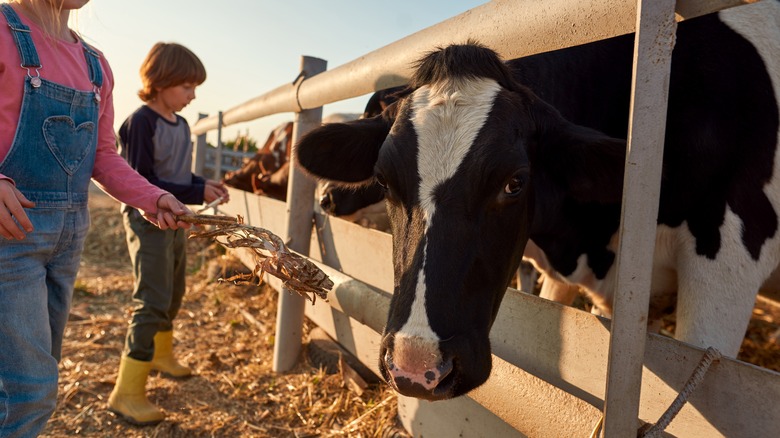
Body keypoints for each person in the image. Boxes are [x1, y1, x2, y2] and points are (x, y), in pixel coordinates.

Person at [0, 1, 193, 436]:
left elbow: (103, 156)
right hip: (8, 237)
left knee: (30, 374)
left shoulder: (95, 65)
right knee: (28, 390)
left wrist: (152, 197)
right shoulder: (2, 29)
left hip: (65, 243)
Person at [108, 41, 229, 426]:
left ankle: (160, 355)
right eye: (186, 87)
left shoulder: (182, 125)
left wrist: (202, 184)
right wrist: (193, 192)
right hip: (148, 220)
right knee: (152, 299)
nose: (193, 96)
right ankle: (126, 392)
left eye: (195, 88)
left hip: (176, 218)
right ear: (160, 82)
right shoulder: (140, 122)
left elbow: (178, 176)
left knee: (174, 292)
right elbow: (141, 180)